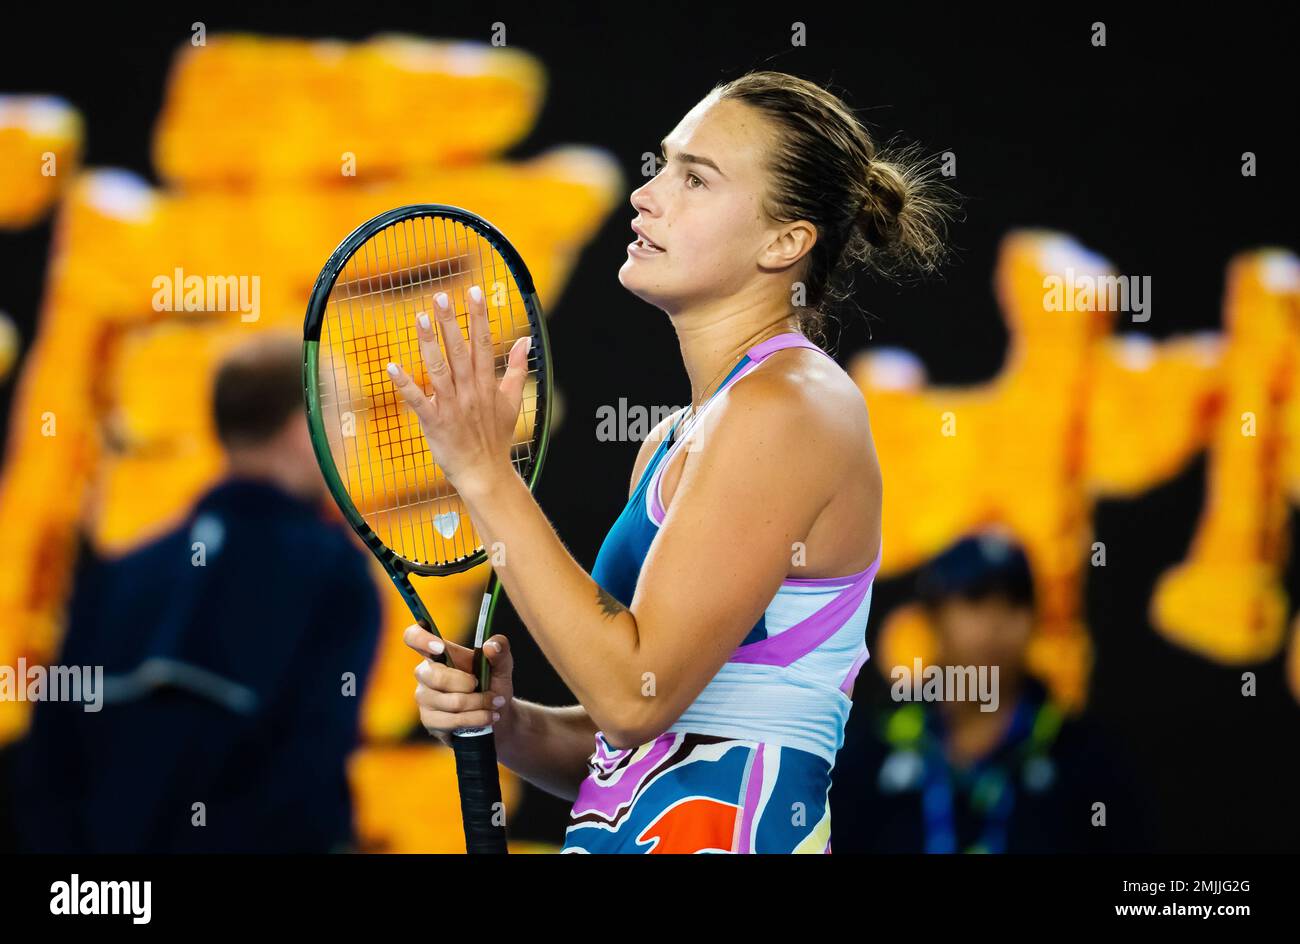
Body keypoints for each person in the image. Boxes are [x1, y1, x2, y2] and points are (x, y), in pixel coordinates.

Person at [390, 70, 954, 853]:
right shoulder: (672, 442)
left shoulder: (794, 406)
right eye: (662, 165)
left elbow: (632, 697)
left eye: (696, 177)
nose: (647, 195)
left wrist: (484, 471)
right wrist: (504, 725)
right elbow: (622, 744)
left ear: (785, 243)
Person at [9, 332, 381, 852]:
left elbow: (47, 772)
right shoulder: (338, 575)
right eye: (346, 418)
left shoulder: (118, 575)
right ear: (304, 430)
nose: (353, 439)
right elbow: (309, 776)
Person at [829, 530, 1156, 852]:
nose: (995, 624)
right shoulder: (871, 756)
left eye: (1014, 603)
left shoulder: (1087, 763)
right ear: (934, 619)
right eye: (975, 600)